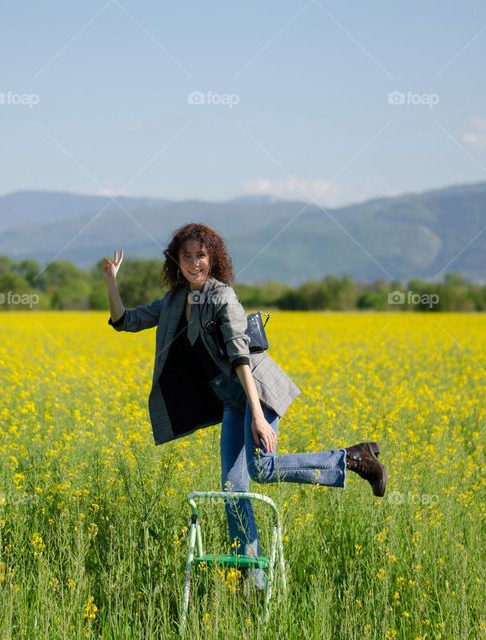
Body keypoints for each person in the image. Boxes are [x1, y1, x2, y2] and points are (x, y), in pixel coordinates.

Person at [103, 223, 386, 593]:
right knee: (233, 487)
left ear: (213, 258)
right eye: (186, 256)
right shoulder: (174, 301)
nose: (193, 263)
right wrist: (111, 280)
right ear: (176, 261)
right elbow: (125, 321)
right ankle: (251, 581)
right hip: (231, 400)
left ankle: (352, 458)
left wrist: (257, 415)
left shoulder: (223, 297)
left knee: (262, 468)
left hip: (257, 392)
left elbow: (241, 357)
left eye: (200, 256)